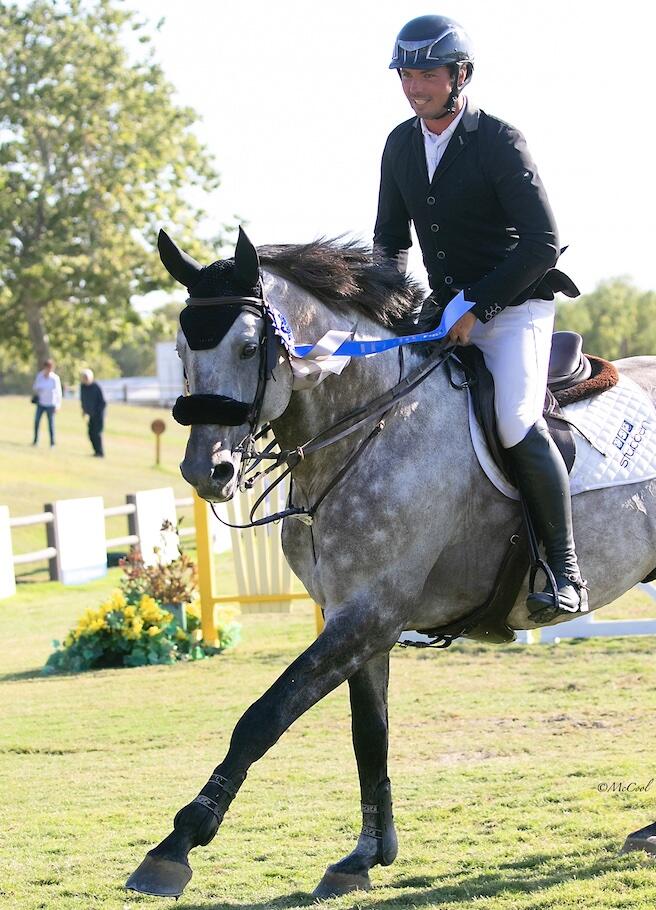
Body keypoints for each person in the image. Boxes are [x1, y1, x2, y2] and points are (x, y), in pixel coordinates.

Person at [373, 14, 587, 621]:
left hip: (516, 304)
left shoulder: (499, 138)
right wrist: (392, 307)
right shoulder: (398, 144)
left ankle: (565, 569)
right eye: (407, 75)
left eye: (428, 75)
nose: (416, 87)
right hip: (445, 308)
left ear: (459, 75)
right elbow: (389, 241)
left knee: (516, 419)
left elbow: (542, 242)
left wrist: (478, 305)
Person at [32, 358, 62, 448]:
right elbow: (35, 387)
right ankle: (35, 441)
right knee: (37, 421)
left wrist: (58, 405)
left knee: (51, 424)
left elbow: (58, 393)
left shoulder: (55, 378)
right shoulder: (40, 376)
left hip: (51, 404)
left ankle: (52, 443)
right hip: (41, 403)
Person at [80, 368, 106, 457]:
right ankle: (96, 451)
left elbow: (103, 402)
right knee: (90, 433)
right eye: (84, 377)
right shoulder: (83, 387)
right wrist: (84, 410)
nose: (85, 379)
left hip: (98, 414)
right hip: (91, 414)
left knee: (97, 433)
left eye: (87, 377)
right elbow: (83, 399)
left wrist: (97, 412)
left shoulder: (96, 387)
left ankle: (100, 452)